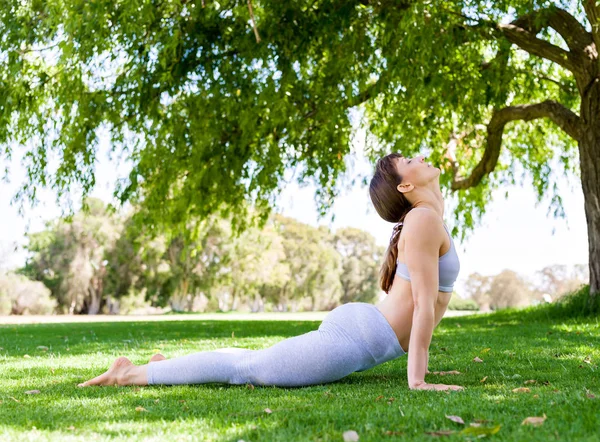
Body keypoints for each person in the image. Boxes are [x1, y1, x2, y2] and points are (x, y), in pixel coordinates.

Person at [78, 153, 464, 391]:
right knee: (246, 368)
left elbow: (423, 304)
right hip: (356, 340)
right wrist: (418, 381)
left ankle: (168, 369)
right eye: (411, 160)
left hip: (363, 330)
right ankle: (127, 375)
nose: (422, 156)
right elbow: (423, 305)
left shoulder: (427, 218)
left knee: (251, 360)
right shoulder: (423, 219)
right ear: (406, 184)